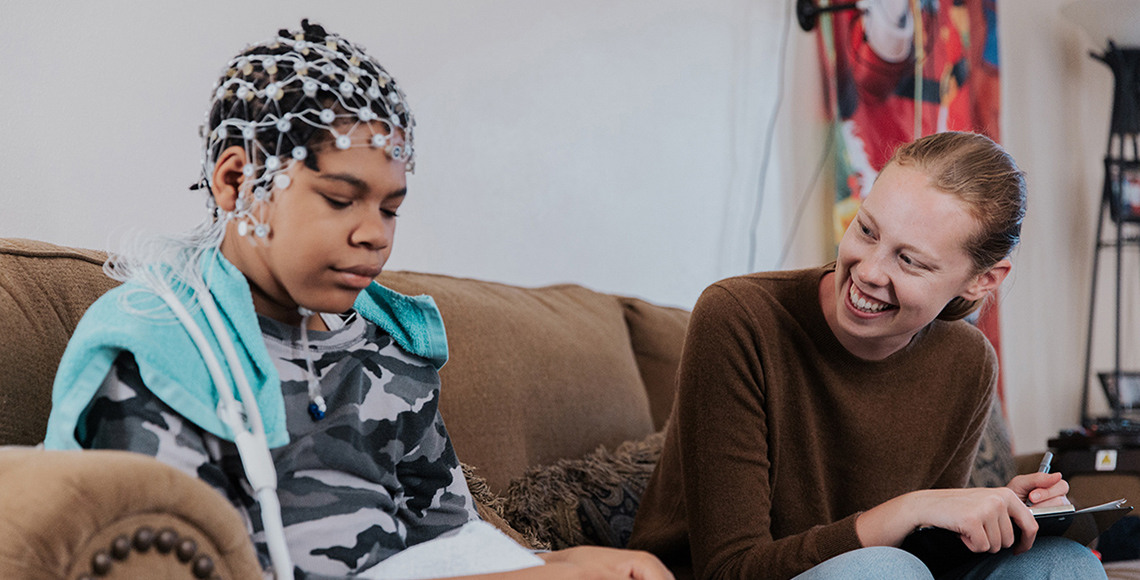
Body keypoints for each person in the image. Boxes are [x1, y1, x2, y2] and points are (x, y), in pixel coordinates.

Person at [43, 19, 671, 580]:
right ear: (238, 181)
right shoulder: (165, 354)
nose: (374, 233)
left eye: (390, 208)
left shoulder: (388, 351)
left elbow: (451, 541)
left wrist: (571, 563)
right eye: (340, 200)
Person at [628, 131, 1106, 580]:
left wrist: (990, 512)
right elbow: (730, 569)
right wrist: (911, 509)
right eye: (868, 230)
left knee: (1064, 565)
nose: (869, 271)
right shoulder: (739, 318)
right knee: (882, 570)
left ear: (982, 280)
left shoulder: (968, 362)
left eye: (910, 260)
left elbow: (926, 551)